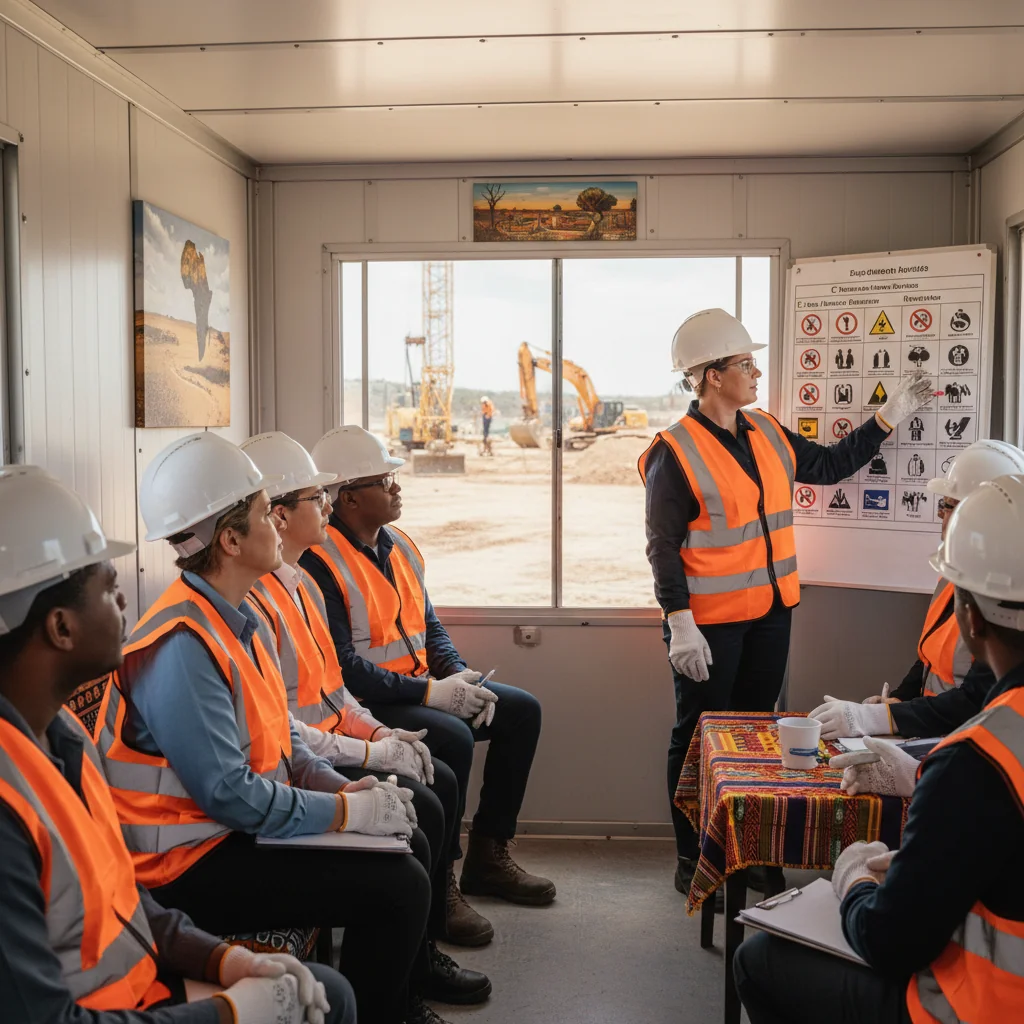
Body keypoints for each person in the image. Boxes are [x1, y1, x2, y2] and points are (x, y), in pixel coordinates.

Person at [95, 432, 448, 1024]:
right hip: (187, 867)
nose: (278, 525)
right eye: (265, 513)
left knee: (406, 844)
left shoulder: (238, 615)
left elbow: (281, 741)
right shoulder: (181, 645)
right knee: (398, 886)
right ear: (231, 540)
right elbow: (229, 794)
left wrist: (345, 790)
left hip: (230, 836)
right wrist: (344, 817)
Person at [0, 464, 354, 1024]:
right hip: (147, 941)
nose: (125, 604)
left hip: (138, 983)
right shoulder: (8, 798)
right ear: (61, 628)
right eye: (107, 588)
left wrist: (225, 960)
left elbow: (120, 901)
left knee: (329, 995)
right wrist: (230, 1013)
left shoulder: (60, 739)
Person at [640, 307, 935, 895]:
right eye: (745, 363)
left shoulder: (767, 430)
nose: (755, 372)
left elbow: (826, 465)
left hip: (771, 616)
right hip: (711, 626)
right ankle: (691, 854)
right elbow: (662, 547)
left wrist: (886, 418)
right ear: (709, 376)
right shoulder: (674, 452)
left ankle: (751, 853)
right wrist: (680, 624)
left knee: (754, 734)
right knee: (697, 734)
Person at [734, 472, 1024, 1023]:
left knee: (760, 958)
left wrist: (857, 881)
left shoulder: (976, 762)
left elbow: (892, 943)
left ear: (969, 614)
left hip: (982, 1009)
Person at [240, 433, 494, 973]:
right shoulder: (256, 606)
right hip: (294, 771)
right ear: (278, 517)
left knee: (439, 781)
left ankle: (421, 958)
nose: (327, 505)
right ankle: (411, 969)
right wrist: (367, 764)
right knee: (428, 798)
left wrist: (380, 736)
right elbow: (275, 732)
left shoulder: (297, 584)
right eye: (316, 497)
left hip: (329, 744)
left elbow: (333, 688)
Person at [300, 425, 555, 935]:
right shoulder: (318, 563)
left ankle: (488, 854)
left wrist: (458, 675)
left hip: (421, 686)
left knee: (521, 711)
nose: (397, 486)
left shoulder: (400, 546)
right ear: (348, 497)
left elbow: (428, 624)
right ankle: (442, 885)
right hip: (372, 704)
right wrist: (433, 695)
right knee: (454, 739)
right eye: (384, 479)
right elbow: (345, 665)